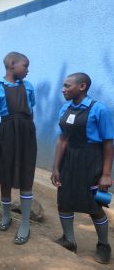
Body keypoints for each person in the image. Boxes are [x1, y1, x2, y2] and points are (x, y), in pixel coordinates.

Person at [51, 72, 113, 264]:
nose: (64, 89)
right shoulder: (65, 109)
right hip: (69, 160)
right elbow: (62, 139)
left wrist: (105, 174)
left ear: (82, 86)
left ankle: (104, 245)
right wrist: (55, 167)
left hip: (91, 161)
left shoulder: (99, 110)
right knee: (63, 201)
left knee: (93, 205)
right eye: (63, 86)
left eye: (68, 86)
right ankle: (69, 240)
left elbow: (109, 143)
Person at [0, 52, 36, 245]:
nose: (28, 70)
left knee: (26, 175)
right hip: (6, 133)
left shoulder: (28, 86)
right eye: (25, 65)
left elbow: (31, 111)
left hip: (26, 134)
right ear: (12, 65)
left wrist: (29, 132)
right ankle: (6, 215)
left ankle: (25, 223)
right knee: (5, 174)